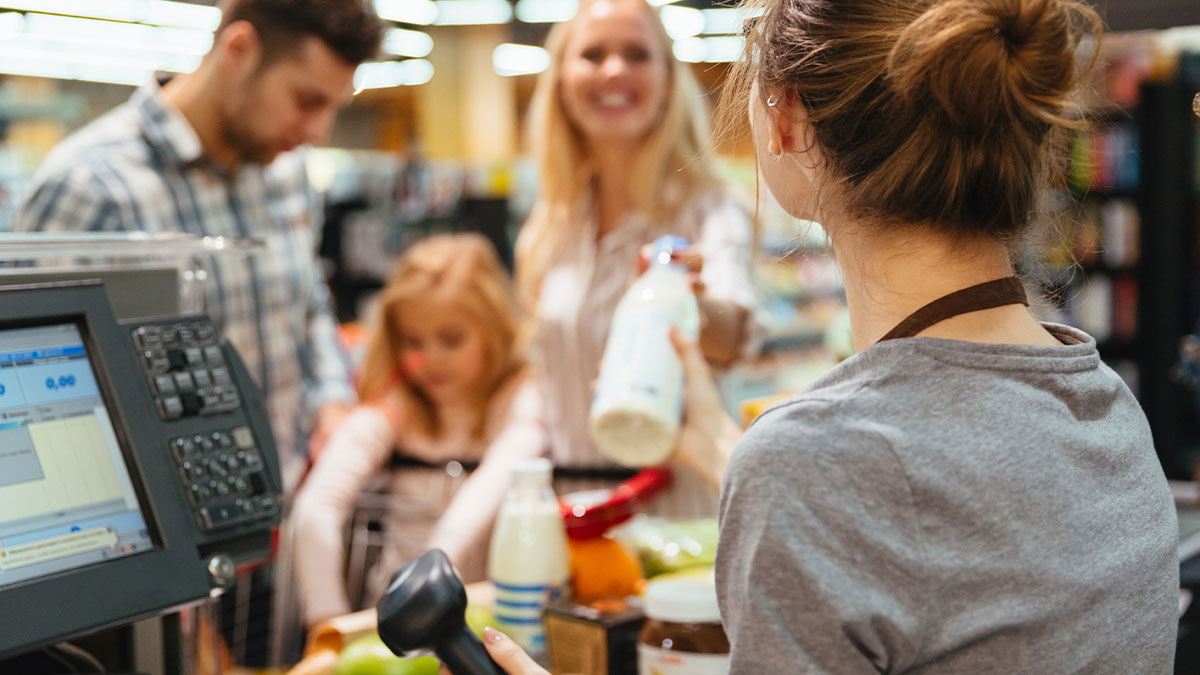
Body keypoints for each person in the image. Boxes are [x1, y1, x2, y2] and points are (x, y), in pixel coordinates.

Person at [486, 0, 1180, 672]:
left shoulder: (811, 464)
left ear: (785, 116)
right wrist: (721, 448)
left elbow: (860, 499)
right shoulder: (1108, 407)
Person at [13, 0, 383, 492]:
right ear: (240, 49)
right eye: (308, 100)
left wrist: (333, 401)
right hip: (174, 534)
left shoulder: (286, 173)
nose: (317, 131)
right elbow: (28, 384)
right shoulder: (88, 186)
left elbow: (309, 304)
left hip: (293, 510)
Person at [517, 0, 763, 518]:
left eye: (636, 54)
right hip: (574, 514)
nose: (613, 70)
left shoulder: (709, 209)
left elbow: (736, 332)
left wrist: (689, 304)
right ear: (561, 78)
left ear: (670, 80)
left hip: (677, 514)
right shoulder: (550, 227)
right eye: (592, 54)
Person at [291, 234, 546, 627]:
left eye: (451, 339)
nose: (431, 359)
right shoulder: (395, 407)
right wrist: (326, 622)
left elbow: (508, 465)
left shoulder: (521, 397)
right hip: (395, 625)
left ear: (493, 329)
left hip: (494, 620)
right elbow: (316, 509)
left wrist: (435, 567)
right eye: (413, 341)